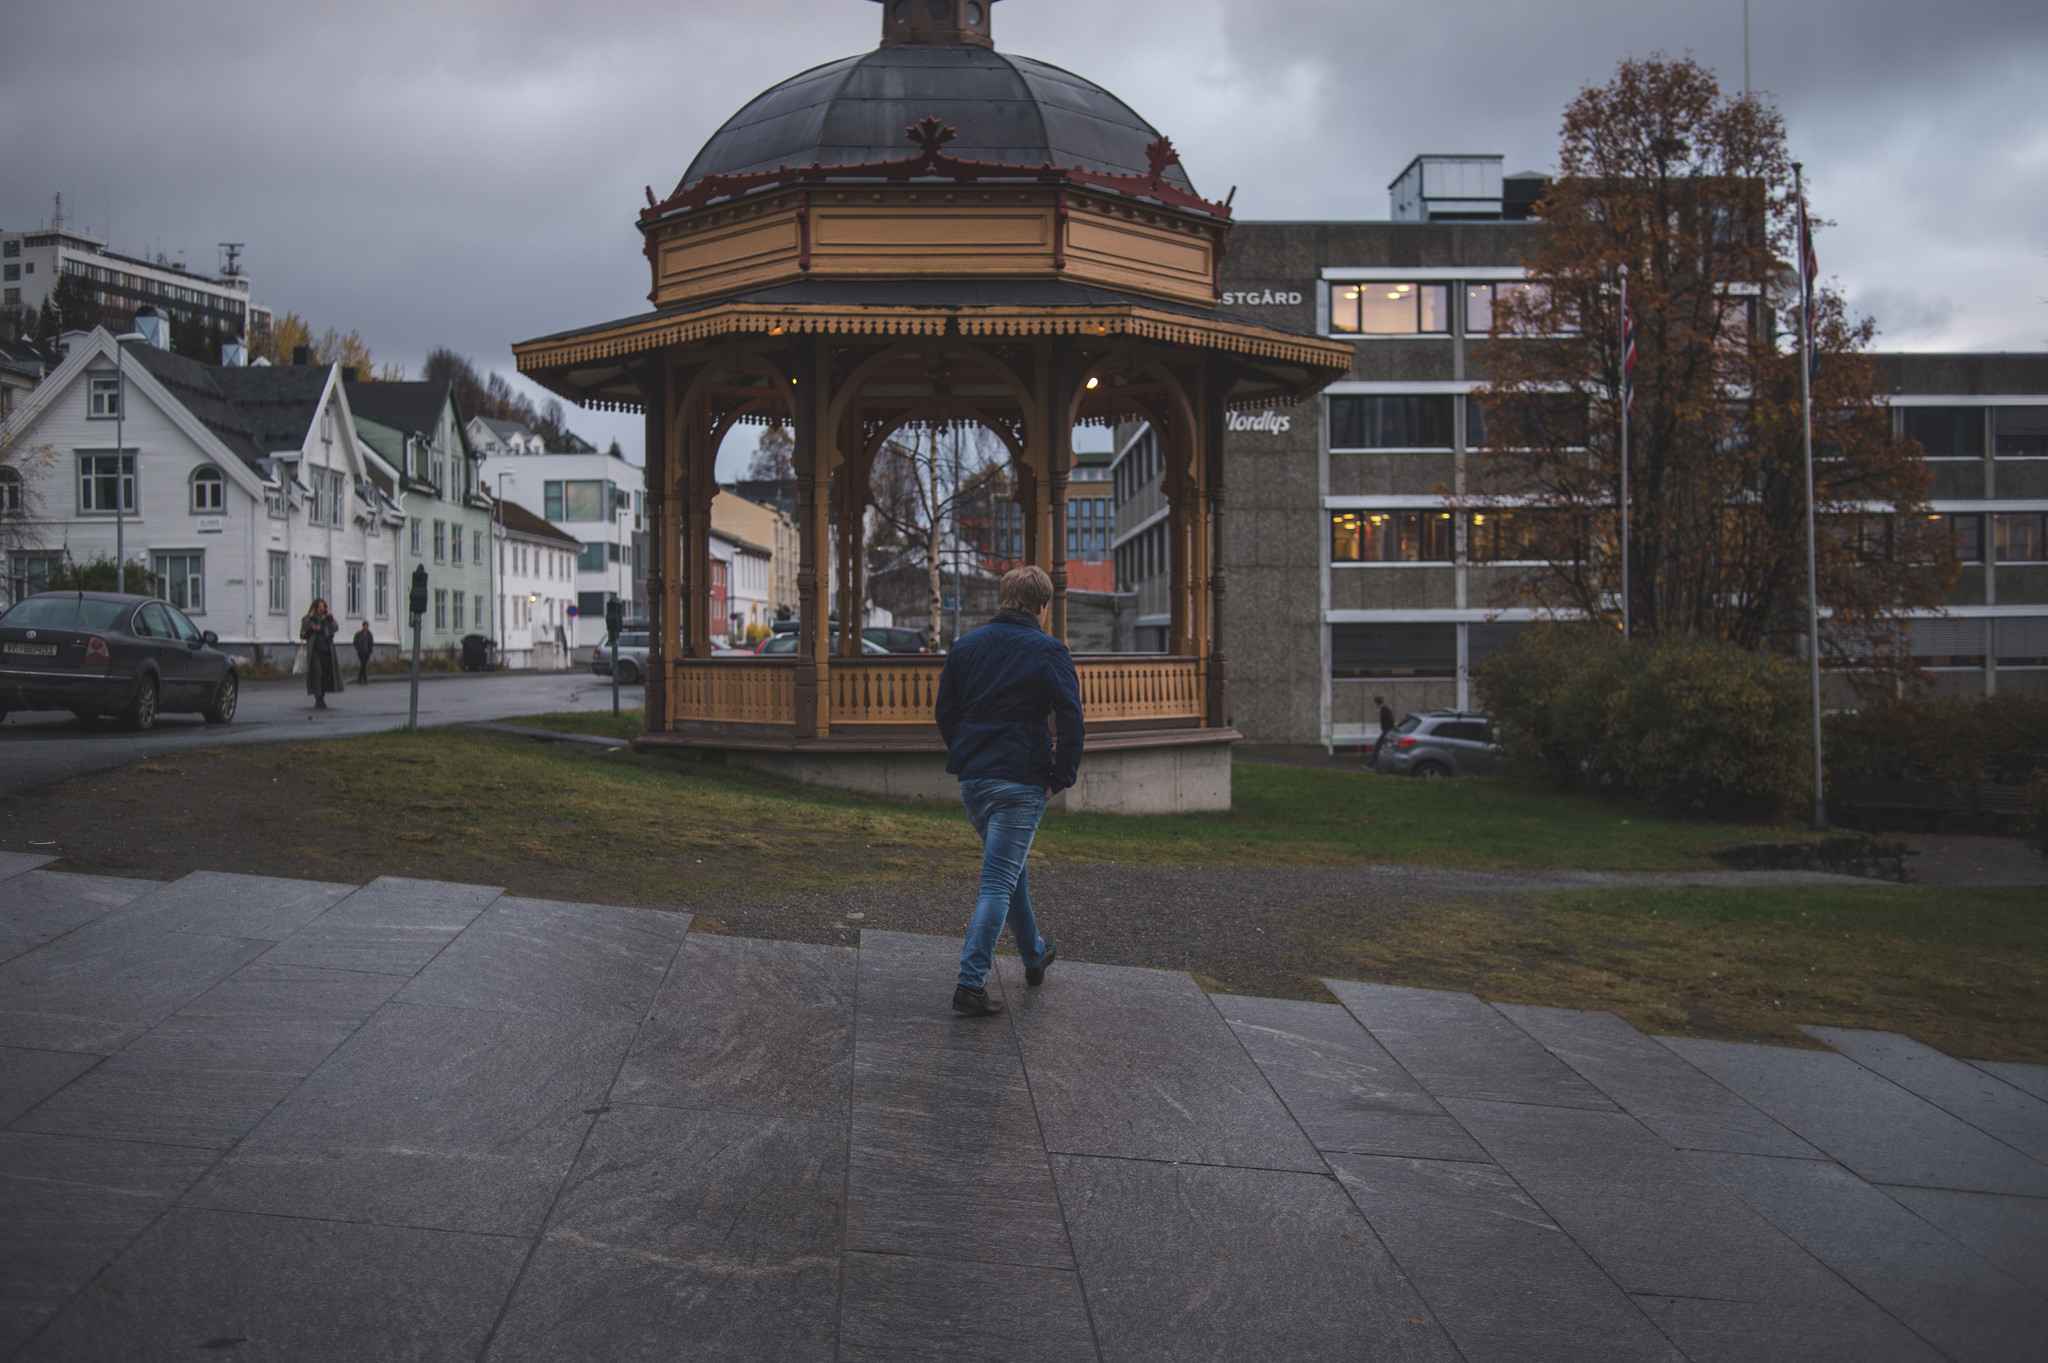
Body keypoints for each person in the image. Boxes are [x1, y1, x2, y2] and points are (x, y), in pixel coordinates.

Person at [934, 565, 1083, 1017]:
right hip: (1020, 778)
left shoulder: (965, 647)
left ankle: (1034, 955)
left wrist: (968, 752)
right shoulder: (1049, 650)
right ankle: (970, 982)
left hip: (974, 778)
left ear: (1003, 598)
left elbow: (946, 711)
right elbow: (1071, 718)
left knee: (1008, 870)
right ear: (1042, 606)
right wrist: (1061, 775)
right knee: (999, 878)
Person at [300, 598, 344, 709]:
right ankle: (318, 698)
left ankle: (322, 695)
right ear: (314, 608)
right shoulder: (308, 619)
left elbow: (335, 628)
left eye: (323, 607)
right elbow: (302, 634)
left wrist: (331, 617)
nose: (321, 609)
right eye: (319, 607)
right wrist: (311, 629)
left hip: (327, 650)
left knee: (325, 674)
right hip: (314, 650)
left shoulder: (327, 619)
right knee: (317, 673)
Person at [1370, 695, 1396, 769]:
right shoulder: (1385, 709)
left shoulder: (1384, 710)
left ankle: (1371, 764)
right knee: (1386, 748)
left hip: (1386, 731)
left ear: (1377, 704)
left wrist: (1387, 729)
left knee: (1377, 746)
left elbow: (1390, 721)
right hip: (1387, 730)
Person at [352, 621, 374, 686]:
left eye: (367, 626)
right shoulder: (359, 634)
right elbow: (355, 642)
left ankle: (360, 678)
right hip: (361, 651)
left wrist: (370, 650)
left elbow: (371, 643)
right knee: (363, 664)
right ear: (363, 626)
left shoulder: (369, 634)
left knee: (363, 665)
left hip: (367, 652)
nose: (366, 627)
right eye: (365, 626)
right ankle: (364, 679)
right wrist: (357, 648)